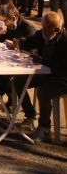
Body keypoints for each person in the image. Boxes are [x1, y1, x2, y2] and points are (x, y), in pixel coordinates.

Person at [14, 12, 67, 141]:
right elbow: (31, 40)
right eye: (42, 27)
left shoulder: (65, 41)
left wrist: (41, 60)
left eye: (45, 29)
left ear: (56, 30)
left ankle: (45, 129)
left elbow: (61, 67)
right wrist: (20, 42)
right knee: (19, 80)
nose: (42, 30)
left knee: (44, 92)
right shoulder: (43, 34)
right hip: (45, 73)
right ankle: (30, 114)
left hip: (62, 78)